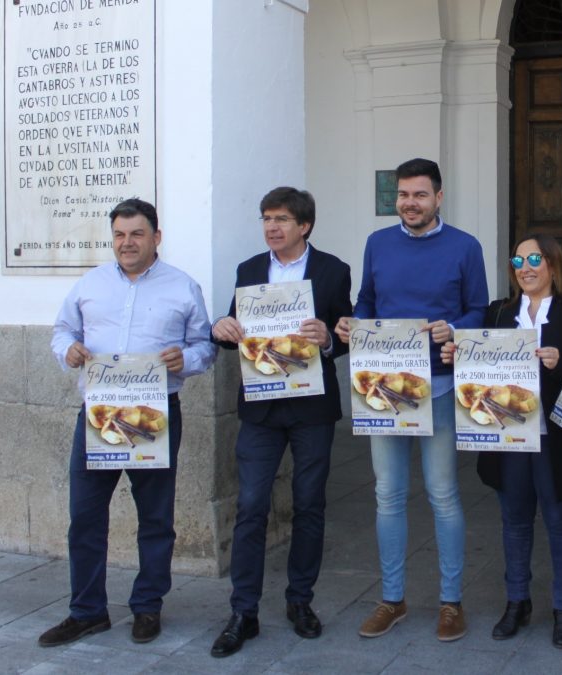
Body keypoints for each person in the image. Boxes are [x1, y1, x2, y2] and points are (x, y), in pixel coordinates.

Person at [43, 198, 216, 647]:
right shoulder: (90, 284)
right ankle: (87, 611)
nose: (127, 242)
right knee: (84, 515)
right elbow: (62, 331)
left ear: (156, 237)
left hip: (154, 413)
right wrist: (70, 351)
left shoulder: (182, 287)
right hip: (98, 415)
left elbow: (205, 346)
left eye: (136, 234)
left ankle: (147, 607)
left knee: (155, 517)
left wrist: (188, 357)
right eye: (119, 234)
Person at [334, 158, 488, 642]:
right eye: (403, 195)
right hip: (383, 389)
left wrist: (456, 327)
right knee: (387, 496)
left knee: (443, 495)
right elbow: (367, 303)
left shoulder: (465, 247)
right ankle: (392, 599)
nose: (410, 203)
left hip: (439, 386)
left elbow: (478, 309)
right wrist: (352, 323)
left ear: (439, 197)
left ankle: (450, 602)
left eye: (420, 195)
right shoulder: (377, 243)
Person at [209, 187, 352, 657]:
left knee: (309, 505)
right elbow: (236, 330)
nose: (272, 227)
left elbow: (345, 336)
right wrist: (222, 329)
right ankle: (242, 611)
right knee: (251, 505)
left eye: (282, 219)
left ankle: (300, 602)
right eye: (266, 218)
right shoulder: (249, 270)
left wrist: (329, 337)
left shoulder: (333, 270)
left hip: (312, 408)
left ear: (304, 226)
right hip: (262, 408)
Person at [442, 234, 562, 648]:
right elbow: (478, 371)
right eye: (518, 260)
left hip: (556, 437)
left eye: (535, 258)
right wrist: (461, 358)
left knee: (561, 523)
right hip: (507, 435)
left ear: (553, 265)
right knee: (514, 522)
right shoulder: (497, 313)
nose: (525, 267)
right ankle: (517, 601)